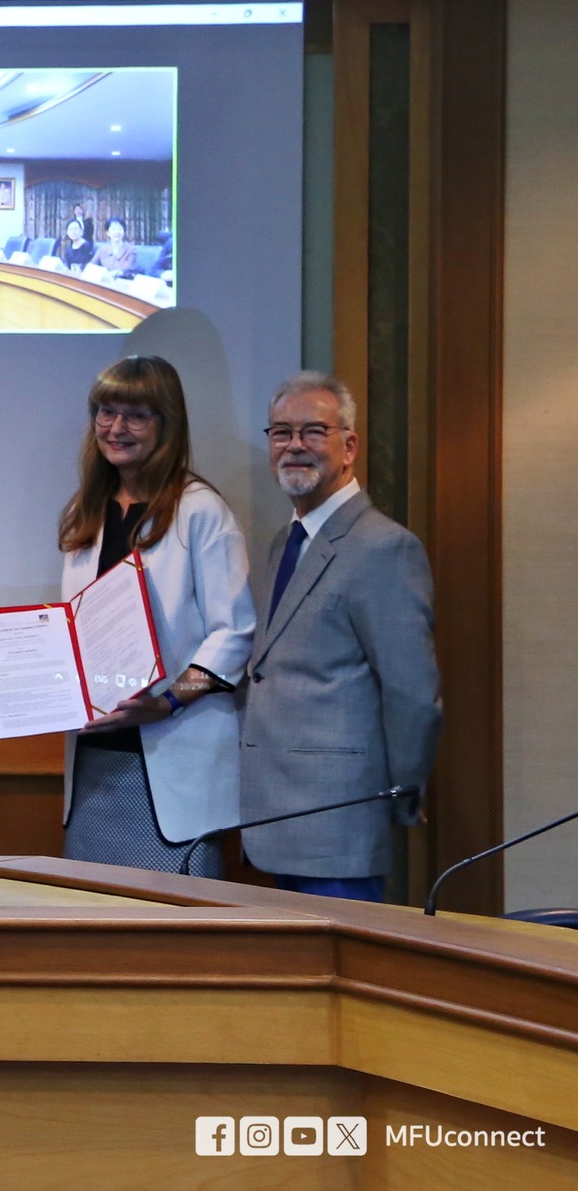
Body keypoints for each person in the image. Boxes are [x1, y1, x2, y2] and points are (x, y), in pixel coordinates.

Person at [240, 372, 440, 900]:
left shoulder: (384, 548)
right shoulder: (283, 542)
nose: (294, 446)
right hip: (276, 816)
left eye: (313, 431)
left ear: (349, 446)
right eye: (281, 432)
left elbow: (414, 694)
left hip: (342, 824)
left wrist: (399, 793)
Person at [57, 355, 255, 875]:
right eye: (104, 411)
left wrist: (165, 703)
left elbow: (233, 635)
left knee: (175, 938)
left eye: (135, 414)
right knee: (92, 927)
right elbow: (77, 631)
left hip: (173, 769)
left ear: (167, 424)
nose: (115, 427)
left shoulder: (202, 510)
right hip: (96, 763)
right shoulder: (88, 510)